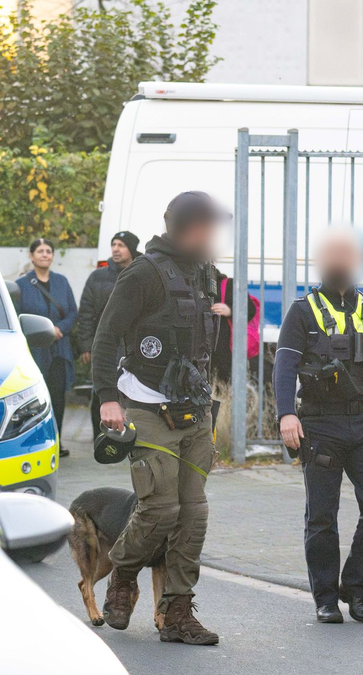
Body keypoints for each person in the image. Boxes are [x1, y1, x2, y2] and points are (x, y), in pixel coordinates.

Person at [91, 191, 226, 645]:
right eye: (203, 226)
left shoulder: (206, 274)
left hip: (195, 411)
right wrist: (108, 398)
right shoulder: (142, 274)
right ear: (180, 227)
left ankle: (178, 612)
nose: (210, 235)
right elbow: (107, 337)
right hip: (145, 406)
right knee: (160, 508)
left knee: (194, 514)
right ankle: (123, 575)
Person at [273, 228, 363, 625]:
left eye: (346, 254)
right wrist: (286, 413)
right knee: (322, 515)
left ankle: (355, 588)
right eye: (332, 255)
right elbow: (284, 364)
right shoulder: (303, 311)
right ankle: (325, 598)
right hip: (320, 424)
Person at [76, 231, 140, 443]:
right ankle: (103, 438)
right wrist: (85, 345)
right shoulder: (98, 277)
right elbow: (85, 313)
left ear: (131, 248)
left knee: (133, 392)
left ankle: (131, 436)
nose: (115, 249)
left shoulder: (143, 273)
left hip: (134, 346)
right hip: (104, 345)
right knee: (102, 391)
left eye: (121, 245)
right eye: (113, 244)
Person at [15, 238, 77, 457]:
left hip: (59, 349)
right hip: (34, 352)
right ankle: (34, 444)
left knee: (57, 399)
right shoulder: (21, 285)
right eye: (40, 251)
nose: (45, 254)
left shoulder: (62, 282)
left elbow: (72, 312)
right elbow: (17, 316)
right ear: (31, 256)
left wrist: (58, 329)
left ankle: (56, 442)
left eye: (48, 251)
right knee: (34, 399)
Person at [210, 269, 264, 386]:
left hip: (225, 353)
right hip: (204, 352)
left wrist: (230, 311)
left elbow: (250, 310)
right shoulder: (194, 283)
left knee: (224, 385)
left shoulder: (228, 285)